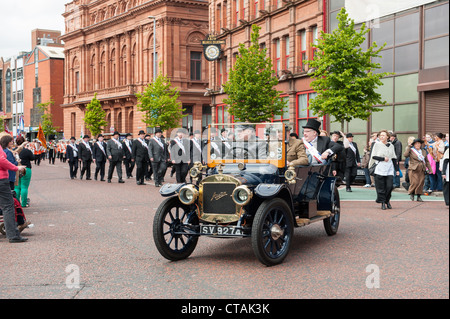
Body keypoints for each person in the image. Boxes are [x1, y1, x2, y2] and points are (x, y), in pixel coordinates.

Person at [0, 136, 27, 243]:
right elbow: (1, 160)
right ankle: (12, 235)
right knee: (8, 207)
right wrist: (16, 168)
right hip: (1, 180)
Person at [369, 130, 400, 210]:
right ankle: (383, 202)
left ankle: (387, 200)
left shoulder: (391, 145)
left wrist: (397, 170)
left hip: (389, 168)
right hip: (380, 167)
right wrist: (383, 158)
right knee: (381, 187)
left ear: (387, 137)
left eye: (383, 135)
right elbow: (373, 156)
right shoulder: (376, 145)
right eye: (380, 135)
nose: (381, 137)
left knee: (389, 186)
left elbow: (394, 158)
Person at [14, 136, 34, 208]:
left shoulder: (14, 150)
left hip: (16, 169)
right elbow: (32, 158)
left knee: (17, 187)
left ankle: (17, 203)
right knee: (24, 187)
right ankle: (24, 203)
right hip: (26, 168)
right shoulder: (26, 151)